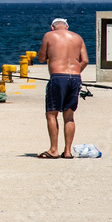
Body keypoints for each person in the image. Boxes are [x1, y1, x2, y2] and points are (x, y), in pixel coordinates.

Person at [36, 17, 89, 159]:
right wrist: (75, 72)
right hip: (75, 78)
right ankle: (67, 151)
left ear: (52, 27)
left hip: (58, 77)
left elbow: (41, 58)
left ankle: (53, 150)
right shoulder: (77, 37)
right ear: (66, 27)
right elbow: (85, 60)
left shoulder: (49, 35)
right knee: (69, 116)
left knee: (51, 114)